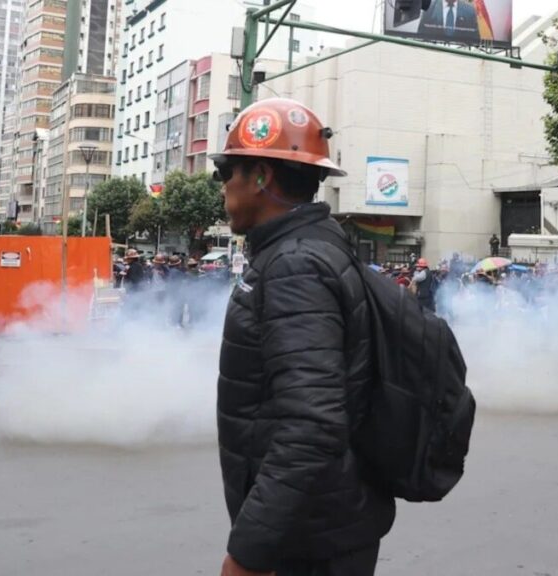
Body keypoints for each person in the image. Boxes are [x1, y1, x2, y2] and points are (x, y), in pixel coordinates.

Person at [211, 98, 394, 576]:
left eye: (227, 171)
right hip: (318, 525)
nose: (224, 185)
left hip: (307, 541)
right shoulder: (314, 249)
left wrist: (250, 550)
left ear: (261, 177)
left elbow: (311, 424)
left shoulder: (295, 265)